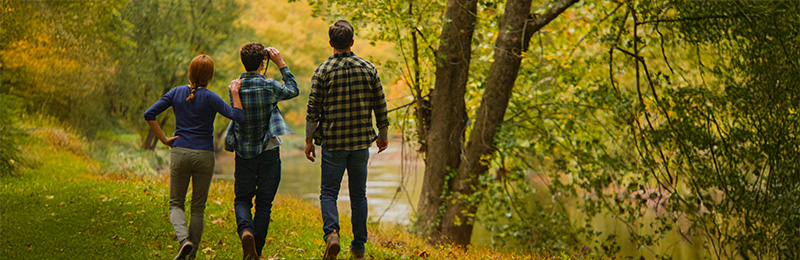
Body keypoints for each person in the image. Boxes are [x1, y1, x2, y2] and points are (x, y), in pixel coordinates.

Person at [143, 54, 245, 260]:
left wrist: (163, 139)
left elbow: (149, 114)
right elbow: (239, 117)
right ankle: (191, 256)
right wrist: (235, 93)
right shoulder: (211, 97)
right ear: (210, 76)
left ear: (190, 72)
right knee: (198, 208)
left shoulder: (176, 92)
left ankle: (184, 241)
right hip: (204, 155)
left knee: (175, 204)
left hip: (180, 152)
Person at [304, 20, 389, 260]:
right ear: (352, 42)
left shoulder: (322, 71)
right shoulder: (368, 68)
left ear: (331, 43)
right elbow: (380, 105)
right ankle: (359, 248)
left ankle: (332, 234)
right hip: (360, 143)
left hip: (333, 143)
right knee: (358, 195)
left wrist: (309, 140)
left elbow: (313, 109)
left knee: (328, 193)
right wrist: (382, 135)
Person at [224, 43, 299, 260]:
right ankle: (256, 251)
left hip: (244, 152)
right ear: (263, 62)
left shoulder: (234, 88)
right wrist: (281, 64)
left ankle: (246, 231)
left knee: (242, 200)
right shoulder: (270, 87)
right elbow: (294, 90)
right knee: (264, 204)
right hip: (268, 152)